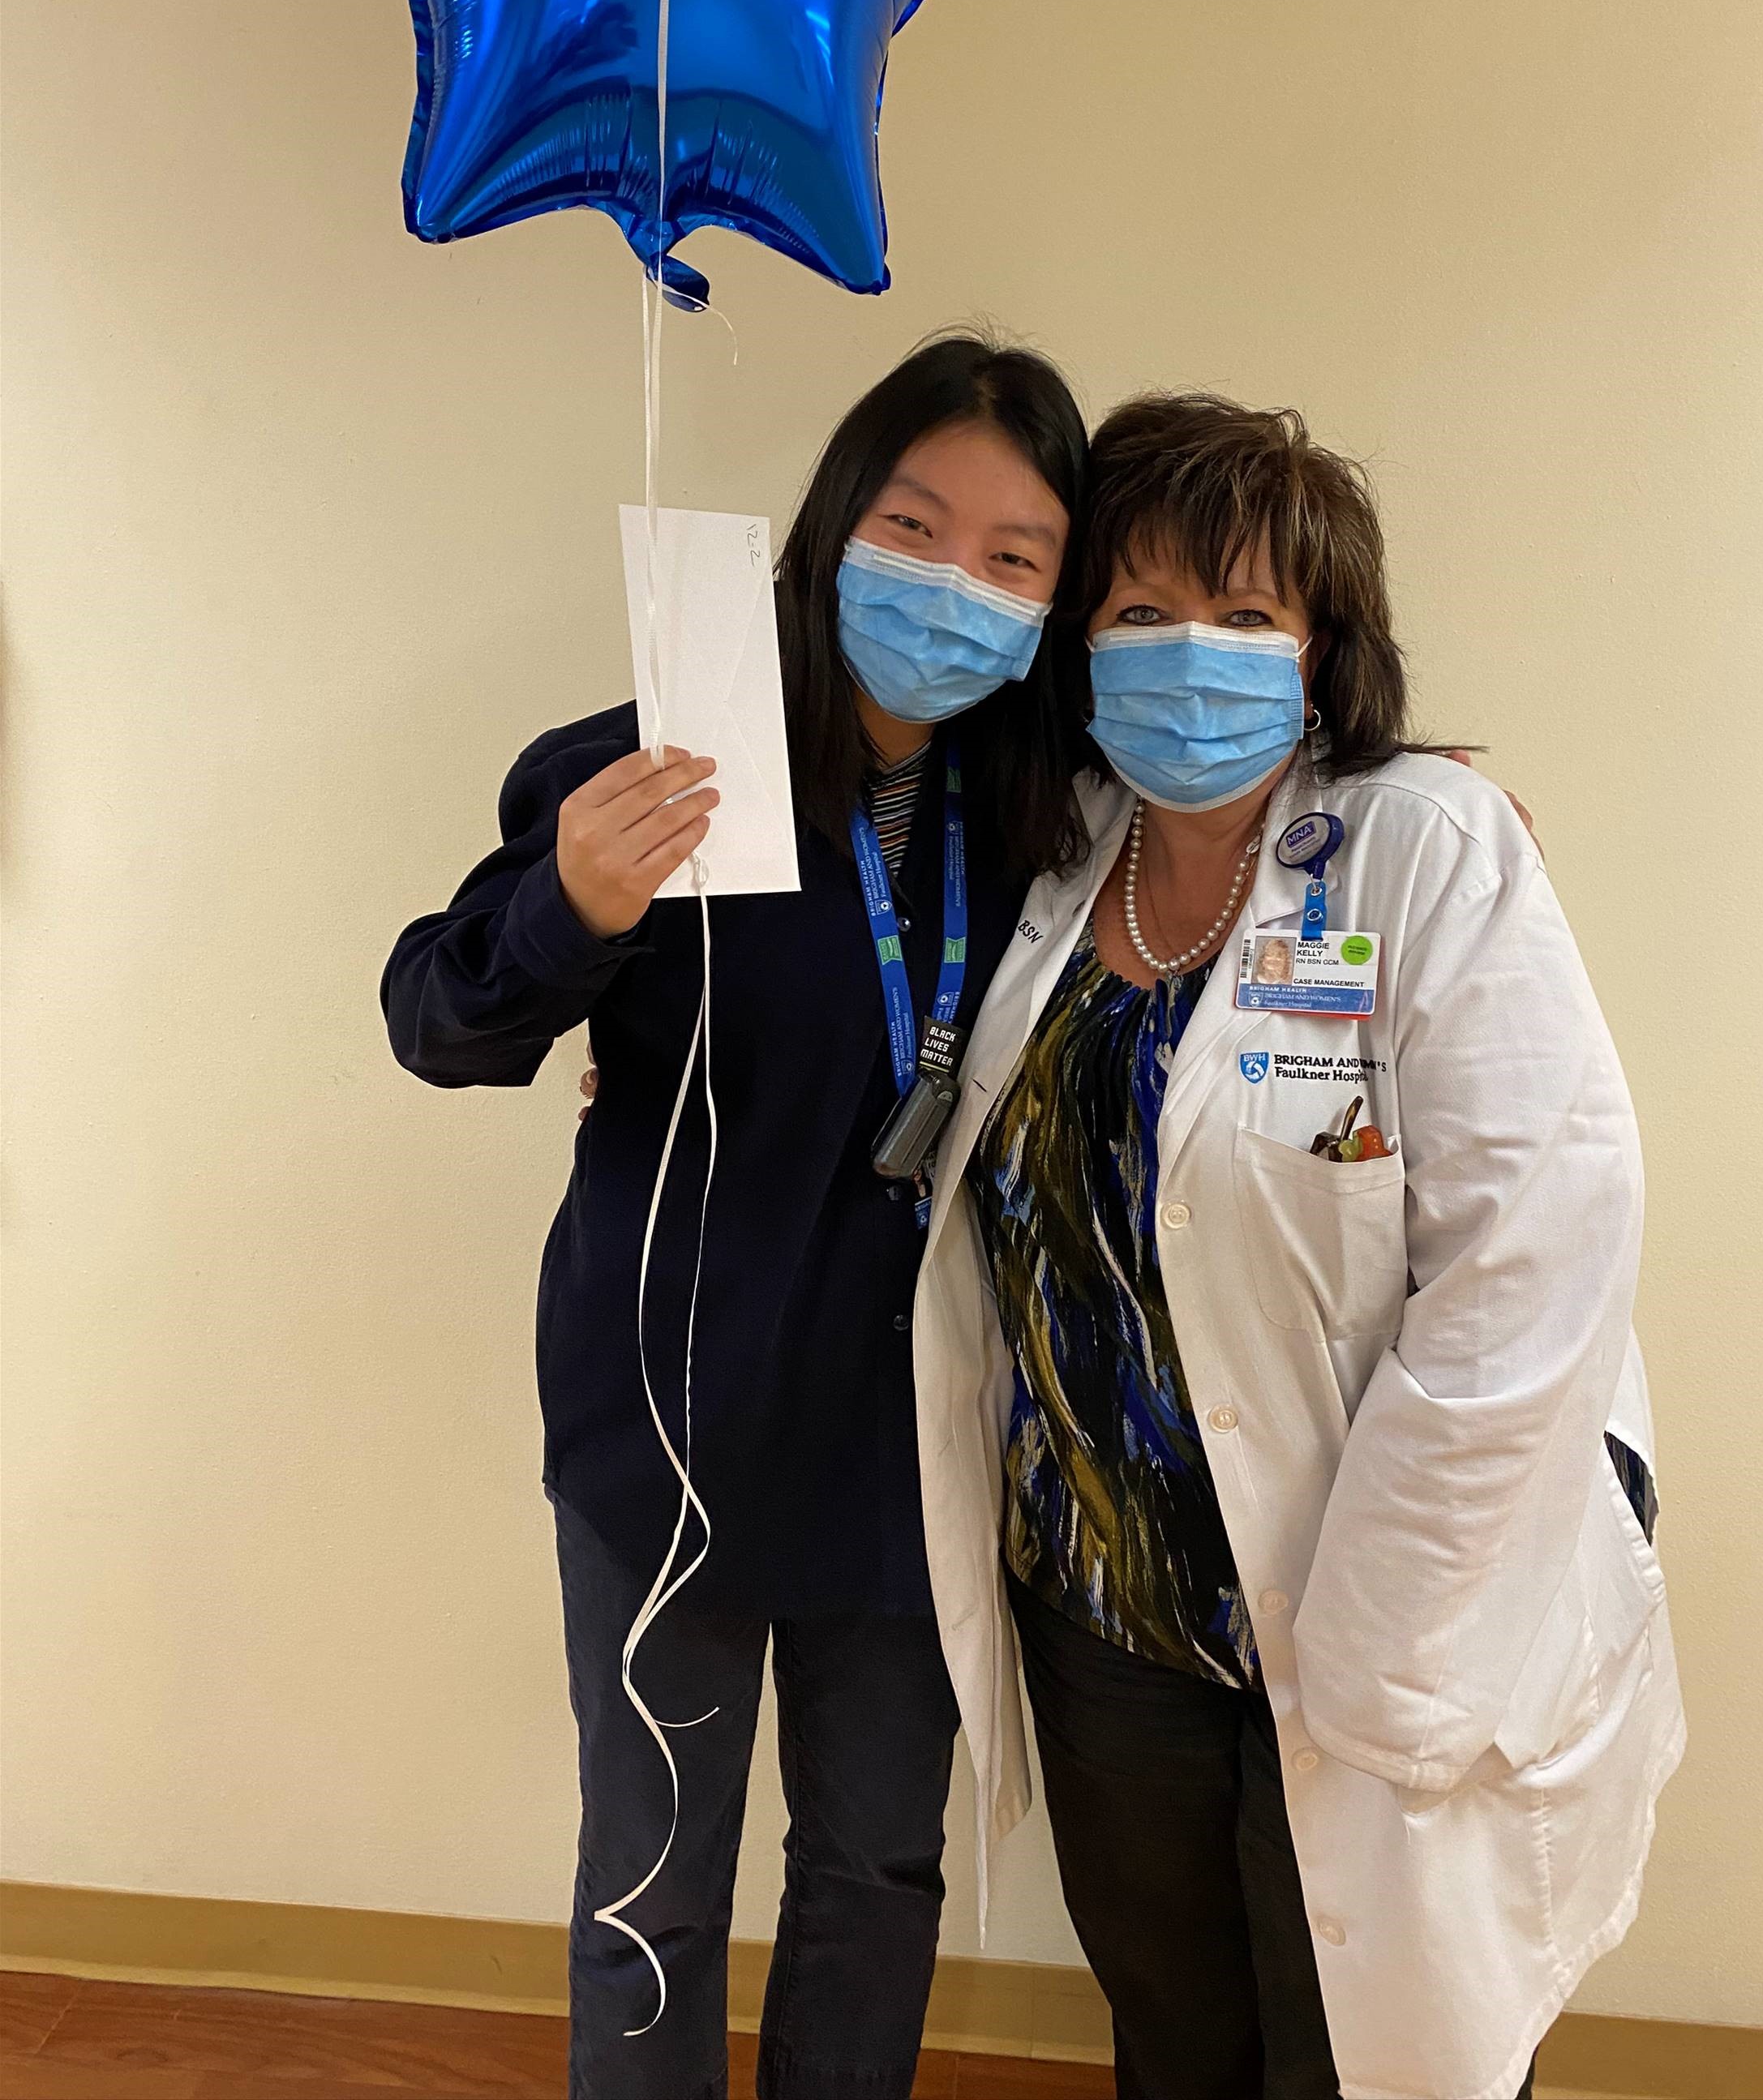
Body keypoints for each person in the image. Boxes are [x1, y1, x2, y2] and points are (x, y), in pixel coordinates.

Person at [912, 396, 1684, 2100]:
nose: (1192, 652)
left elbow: (1534, 1261)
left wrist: (1386, 1652)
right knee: (1178, 2043)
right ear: (1079, 644)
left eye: (1246, 612)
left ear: (1320, 650)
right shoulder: (1050, 862)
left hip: (1385, 1602)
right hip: (1109, 1613)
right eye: (1141, 608)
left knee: (1375, 2058)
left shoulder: (1423, 846)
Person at [380, 335, 1088, 2100]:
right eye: (915, 527)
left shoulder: (1050, 817)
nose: (956, 582)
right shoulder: (659, 763)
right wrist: (571, 905)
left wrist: (1393, 810)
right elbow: (436, 1019)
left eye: (1013, 557)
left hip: (910, 1450)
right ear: (835, 520)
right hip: (668, 1427)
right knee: (655, 1889)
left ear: (1055, 603)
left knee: (877, 1873)